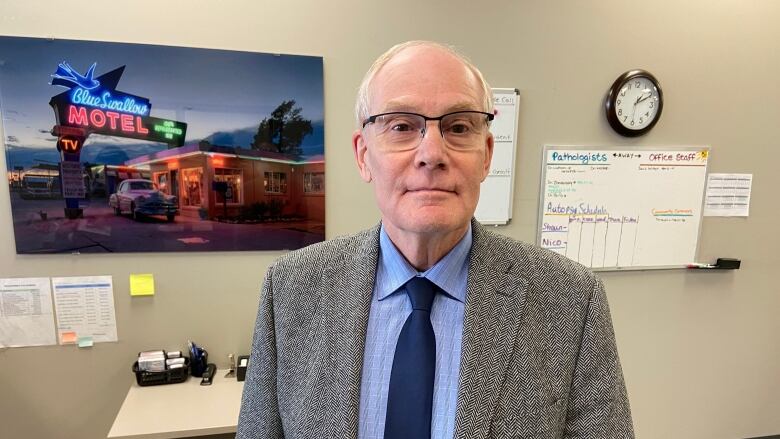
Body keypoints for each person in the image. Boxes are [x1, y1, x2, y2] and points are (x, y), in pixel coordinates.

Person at [237, 41, 634, 439]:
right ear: (363, 155)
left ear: (486, 155)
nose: (431, 153)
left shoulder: (571, 301)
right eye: (402, 126)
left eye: (458, 127)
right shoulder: (290, 290)